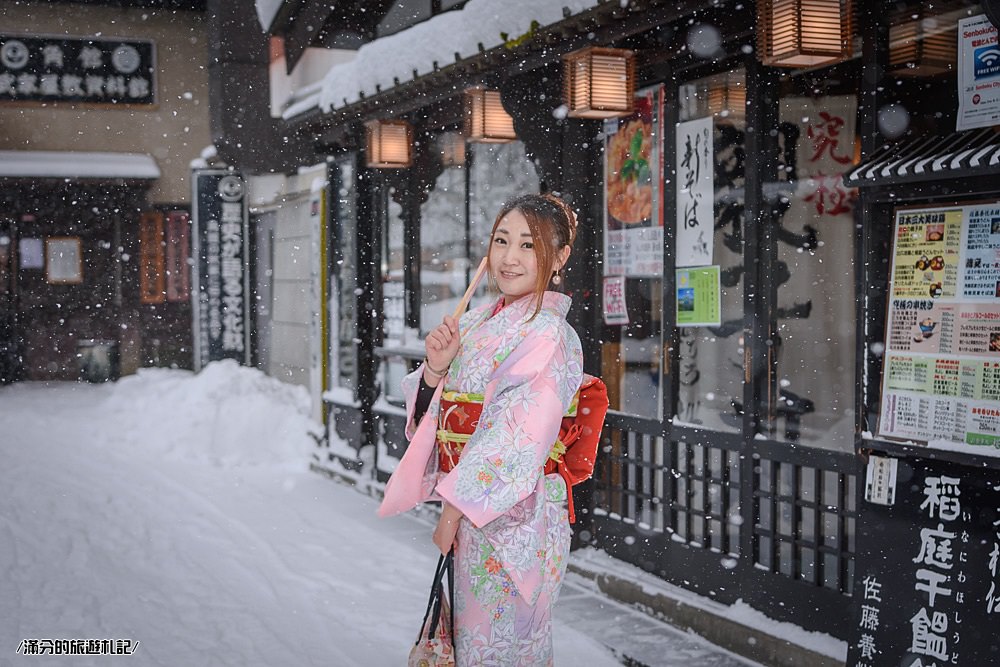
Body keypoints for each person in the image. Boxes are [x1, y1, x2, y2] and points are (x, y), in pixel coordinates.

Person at [379, 193, 583, 666]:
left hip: (516, 517)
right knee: (476, 648)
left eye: (529, 246)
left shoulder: (549, 334)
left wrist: (454, 511)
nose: (509, 257)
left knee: (501, 649)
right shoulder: (474, 323)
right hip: (475, 509)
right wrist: (434, 370)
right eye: (501, 241)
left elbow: (517, 436)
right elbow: (441, 416)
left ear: (560, 257)